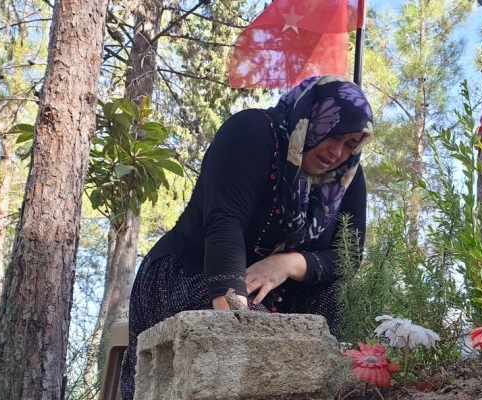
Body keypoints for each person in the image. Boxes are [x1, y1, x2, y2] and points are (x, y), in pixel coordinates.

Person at [119, 75, 374, 399]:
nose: (337, 151)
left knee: (347, 314)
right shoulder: (254, 132)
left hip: (277, 291)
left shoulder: (347, 176)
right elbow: (225, 224)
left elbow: (348, 257)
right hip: (192, 273)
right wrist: (239, 323)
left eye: (351, 143)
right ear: (313, 116)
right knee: (264, 337)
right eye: (333, 133)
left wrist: (288, 263)